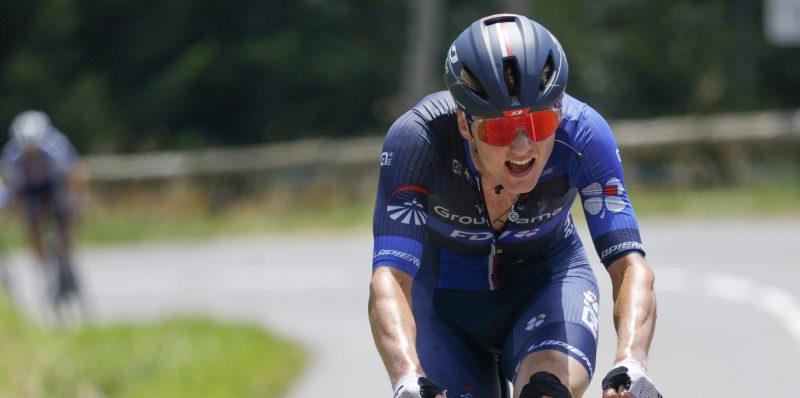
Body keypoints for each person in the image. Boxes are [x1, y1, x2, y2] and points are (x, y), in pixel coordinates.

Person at [369, 14, 662, 398]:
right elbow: (390, 277)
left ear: (558, 111)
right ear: (464, 122)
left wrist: (631, 362)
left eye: (539, 123)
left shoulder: (585, 134)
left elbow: (630, 266)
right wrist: (407, 379)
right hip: (442, 303)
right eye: (500, 129)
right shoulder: (418, 141)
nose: (523, 148)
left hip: (546, 283)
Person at [1, 109, 88, 299]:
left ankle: (66, 257)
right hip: (30, 188)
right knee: (32, 219)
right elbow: (12, 185)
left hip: (54, 184)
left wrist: (78, 201)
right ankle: (41, 263)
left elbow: (74, 174)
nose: (30, 151)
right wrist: (14, 208)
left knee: (65, 212)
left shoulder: (56, 146)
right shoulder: (11, 153)